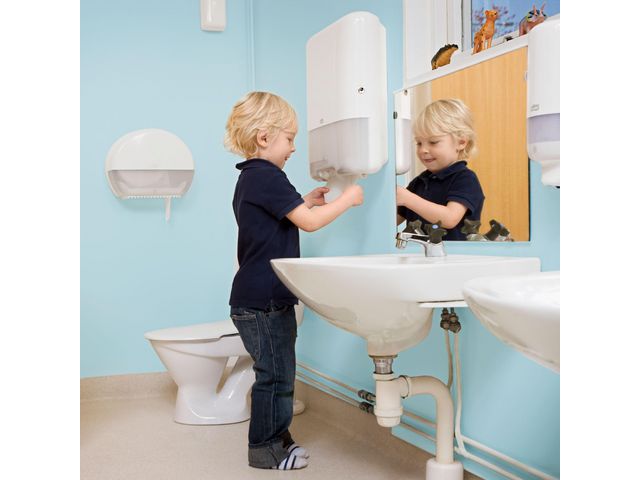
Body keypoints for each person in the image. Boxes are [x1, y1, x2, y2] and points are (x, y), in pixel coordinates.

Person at [223, 91, 364, 471]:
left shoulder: (251, 178)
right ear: (264, 137)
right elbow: (310, 223)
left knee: (278, 373)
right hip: (265, 300)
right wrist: (348, 198)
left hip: (257, 296)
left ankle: (278, 439)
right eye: (289, 138)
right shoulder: (268, 176)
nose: (294, 147)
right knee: (275, 377)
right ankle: (266, 450)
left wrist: (305, 200)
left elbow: (277, 217)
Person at [396, 99, 484, 241]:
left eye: (433, 142)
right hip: (418, 254)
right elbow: (392, 221)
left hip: (452, 255)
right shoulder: (418, 182)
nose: (423, 150)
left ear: (461, 142)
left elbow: (450, 218)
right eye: (419, 143)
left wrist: (408, 199)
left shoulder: (465, 179)